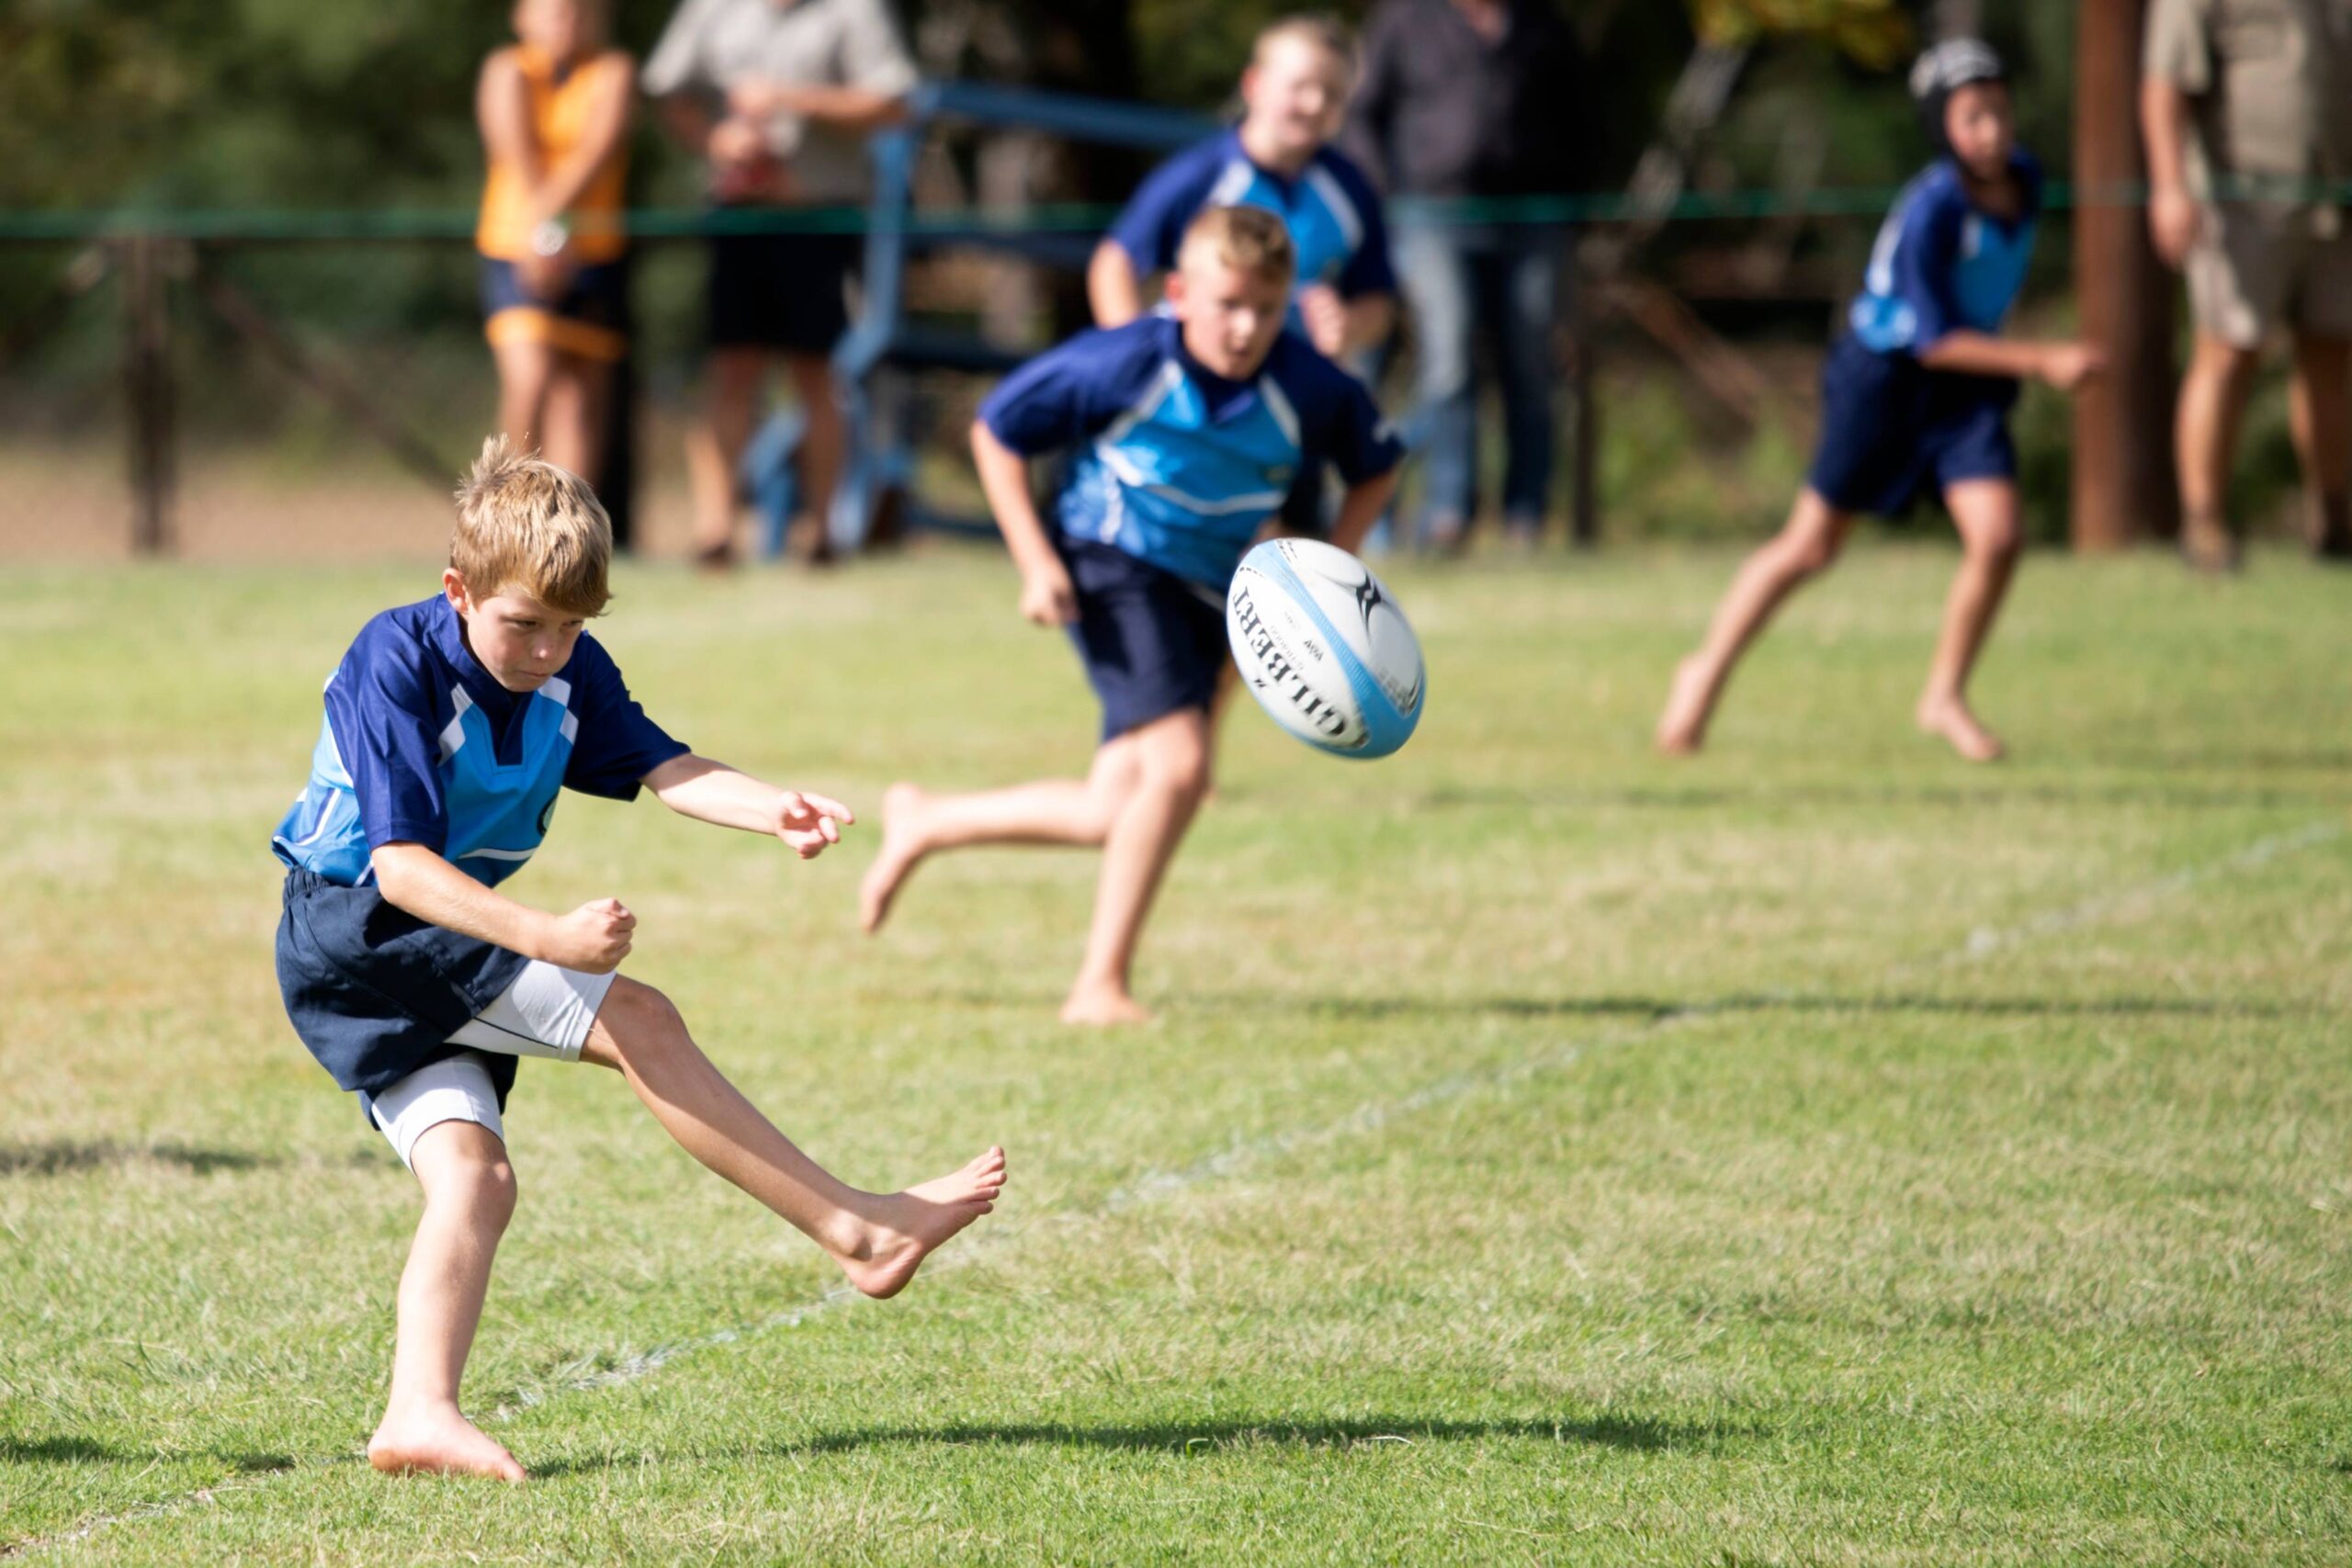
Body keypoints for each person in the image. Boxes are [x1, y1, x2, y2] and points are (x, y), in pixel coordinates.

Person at [270, 438, 1005, 1482]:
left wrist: (771, 807)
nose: (546, 651)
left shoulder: (570, 669)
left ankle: (418, 1413)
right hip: (364, 931)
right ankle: (858, 1231)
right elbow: (397, 868)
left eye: (573, 627)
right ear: (458, 591)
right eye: (524, 623)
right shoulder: (396, 658)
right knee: (639, 1017)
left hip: (428, 933)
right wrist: (546, 938)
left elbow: (665, 765)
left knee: (475, 1178)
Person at [858, 209, 1404, 1025]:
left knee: (1112, 807)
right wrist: (1037, 562)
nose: (1246, 327)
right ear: (1178, 293)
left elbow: (1378, 466)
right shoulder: (1125, 362)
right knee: (1181, 769)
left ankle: (926, 820)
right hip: (1110, 563)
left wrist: (1324, 577)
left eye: (1266, 308)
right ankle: (1098, 985)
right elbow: (997, 429)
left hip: (1211, 590)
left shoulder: (1309, 385)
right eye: (1227, 304)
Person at [1655, 40, 2102, 765]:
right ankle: (1704, 669)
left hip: (1966, 384)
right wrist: (2044, 359)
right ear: (1941, 127)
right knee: (1811, 547)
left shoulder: (2026, 181)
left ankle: (1944, 695)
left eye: (2000, 112)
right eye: (1972, 118)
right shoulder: (1932, 209)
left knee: (1998, 537)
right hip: (1886, 379)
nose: (1991, 131)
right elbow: (1931, 340)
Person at [643, 0, 919, 567]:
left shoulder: (853, 11)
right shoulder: (712, 9)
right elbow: (665, 90)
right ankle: (716, 534)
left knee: (816, 373)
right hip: (736, 215)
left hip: (819, 217)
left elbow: (896, 104)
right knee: (731, 370)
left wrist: (792, 98)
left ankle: (823, 534)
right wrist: (716, 140)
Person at [1344, 0, 1588, 551]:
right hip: (1430, 215)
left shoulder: (1543, 22)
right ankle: (1448, 511)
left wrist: (1574, 200)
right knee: (1449, 360)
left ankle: (1526, 517)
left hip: (1533, 218)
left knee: (1532, 364)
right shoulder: (1405, 20)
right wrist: (1380, 198)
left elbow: (1582, 115)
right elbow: (1363, 116)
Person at [2142, 0, 2352, 569]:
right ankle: (2204, 523)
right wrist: (2168, 187)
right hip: (2240, 206)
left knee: (2331, 353)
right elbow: (2163, 84)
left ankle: (2335, 518)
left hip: (2336, 198)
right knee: (2228, 352)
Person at [474, 0, 634, 485]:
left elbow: (596, 153)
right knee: (530, 379)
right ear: (521, 17)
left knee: (580, 402)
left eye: (577, 11)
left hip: (593, 249)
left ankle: (570, 520)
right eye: (552, 11)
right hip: (513, 247)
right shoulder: (507, 70)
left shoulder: (611, 72)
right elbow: (513, 150)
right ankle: (509, 507)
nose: (566, 22)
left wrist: (549, 230)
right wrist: (543, 235)